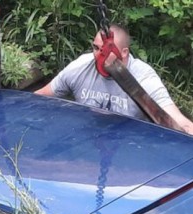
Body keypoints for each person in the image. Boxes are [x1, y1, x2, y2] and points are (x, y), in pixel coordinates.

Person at [35, 24, 193, 135]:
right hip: (85, 139)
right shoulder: (81, 66)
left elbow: (178, 121)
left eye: (104, 50)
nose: (98, 55)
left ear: (124, 52)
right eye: (96, 48)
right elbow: (38, 97)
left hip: (130, 147)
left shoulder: (143, 77)